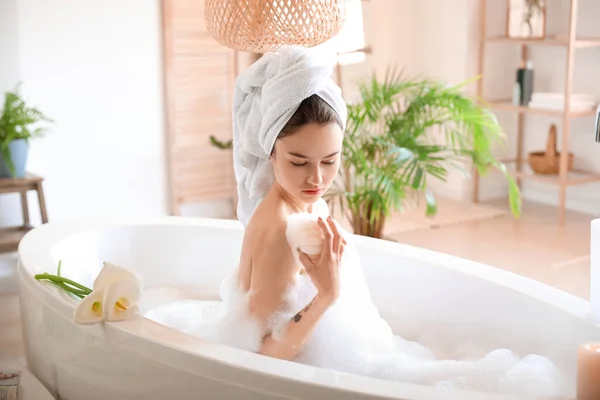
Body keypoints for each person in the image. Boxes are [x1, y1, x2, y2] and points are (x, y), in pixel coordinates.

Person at [199, 45, 569, 397]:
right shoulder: (280, 231)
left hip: (350, 357)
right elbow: (258, 358)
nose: (316, 179)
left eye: (330, 160)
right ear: (271, 152)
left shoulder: (301, 205)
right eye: (299, 162)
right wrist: (327, 295)